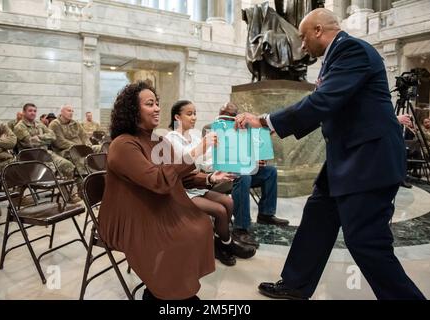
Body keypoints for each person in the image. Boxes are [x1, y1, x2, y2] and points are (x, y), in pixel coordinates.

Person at [235, 8, 425, 300]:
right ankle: (296, 285)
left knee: (366, 242)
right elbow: (350, 101)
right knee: (316, 220)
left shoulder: (352, 50)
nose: (300, 45)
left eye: (302, 37)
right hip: (346, 158)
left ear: (318, 30)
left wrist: (264, 121)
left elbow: (323, 101)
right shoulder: (337, 57)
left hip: (368, 162)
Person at [98, 82, 217, 300]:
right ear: (133, 110)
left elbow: (181, 175)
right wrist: (197, 151)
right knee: (180, 237)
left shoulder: (157, 140)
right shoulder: (123, 145)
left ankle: (175, 287)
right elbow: (158, 180)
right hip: (129, 216)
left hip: (153, 205)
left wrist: (210, 177)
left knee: (200, 224)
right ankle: (161, 292)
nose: (157, 108)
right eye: (149, 104)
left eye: (157, 103)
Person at [165, 100, 256, 266]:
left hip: (194, 184)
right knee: (220, 211)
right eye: (189, 114)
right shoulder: (170, 138)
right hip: (180, 189)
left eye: (195, 113)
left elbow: (205, 161)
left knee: (228, 202)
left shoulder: (192, 137)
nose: (194, 117)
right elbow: (185, 161)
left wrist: (224, 162)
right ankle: (227, 244)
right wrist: (203, 145)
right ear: (177, 117)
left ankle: (220, 242)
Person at [203, 102, 289, 249]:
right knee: (243, 176)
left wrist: (258, 159)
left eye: (232, 117)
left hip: (243, 172)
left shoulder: (243, 130)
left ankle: (266, 215)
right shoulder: (212, 130)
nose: (228, 120)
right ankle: (240, 227)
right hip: (220, 176)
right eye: (225, 115)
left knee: (270, 172)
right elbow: (207, 161)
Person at [14, 103, 78, 201]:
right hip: (30, 156)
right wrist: (44, 138)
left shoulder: (39, 124)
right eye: (30, 111)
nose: (33, 113)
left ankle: (69, 194)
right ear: (24, 112)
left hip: (45, 153)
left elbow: (52, 136)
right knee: (47, 171)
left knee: (68, 165)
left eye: (34, 111)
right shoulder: (19, 127)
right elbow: (30, 142)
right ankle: (17, 197)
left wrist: (39, 138)